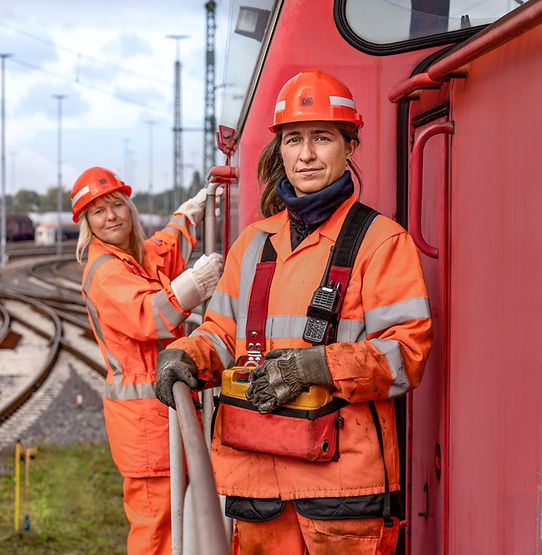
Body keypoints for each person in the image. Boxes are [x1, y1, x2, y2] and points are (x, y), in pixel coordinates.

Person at [155, 70, 432, 554]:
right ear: (279, 150)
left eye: (322, 138)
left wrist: (318, 365)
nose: (305, 154)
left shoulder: (381, 242)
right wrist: (186, 355)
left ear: (349, 146)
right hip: (258, 485)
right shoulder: (254, 244)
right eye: (293, 140)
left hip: (342, 493)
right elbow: (222, 334)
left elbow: (405, 355)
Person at [71, 166, 223, 555]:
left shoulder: (132, 256)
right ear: (87, 223)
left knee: (175, 525)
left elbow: (165, 247)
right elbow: (150, 315)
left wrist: (189, 213)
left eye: (117, 205)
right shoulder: (105, 271)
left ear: (130, 208)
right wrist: (195, 284)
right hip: (143, 427)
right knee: (157, 534)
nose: (112, 217)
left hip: (156, 416)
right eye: (99, 212)